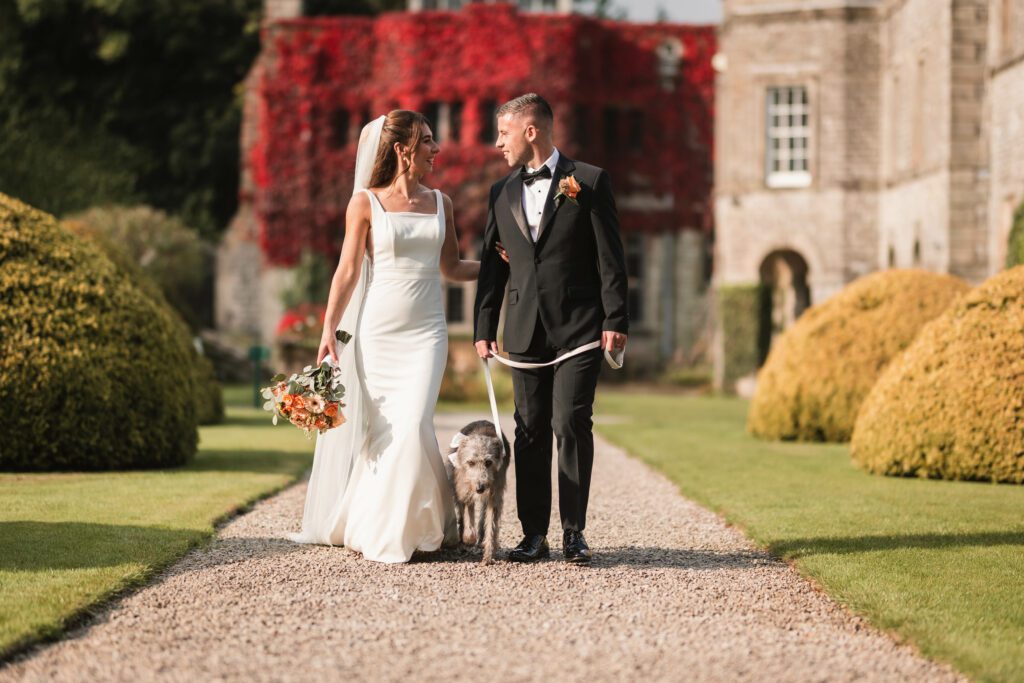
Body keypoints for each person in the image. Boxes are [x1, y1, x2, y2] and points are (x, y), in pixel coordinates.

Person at [289, 110, 483, 563]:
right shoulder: (364, 203)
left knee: (415, 423)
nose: (437, 150)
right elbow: (348, 271)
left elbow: (451, 269)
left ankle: (413, 526)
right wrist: (328, 331)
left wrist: (503, 266)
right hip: (378, 333)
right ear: (402, 149)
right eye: (429, 141)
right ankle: (382, 525)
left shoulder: (442, 203)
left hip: (427, 333)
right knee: (387, 432)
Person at [474, 93, 629, 564]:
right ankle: (534, 534)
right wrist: (484, 324)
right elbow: (491, 266)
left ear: (531, 131)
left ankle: (574, 532)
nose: (497, 143)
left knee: (570, 422)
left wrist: (616, 318)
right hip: (522, 329)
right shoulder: (500, 193)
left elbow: (611, 257)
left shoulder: (589, 181)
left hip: (580, 327)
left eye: (504, 133)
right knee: (529, 431)